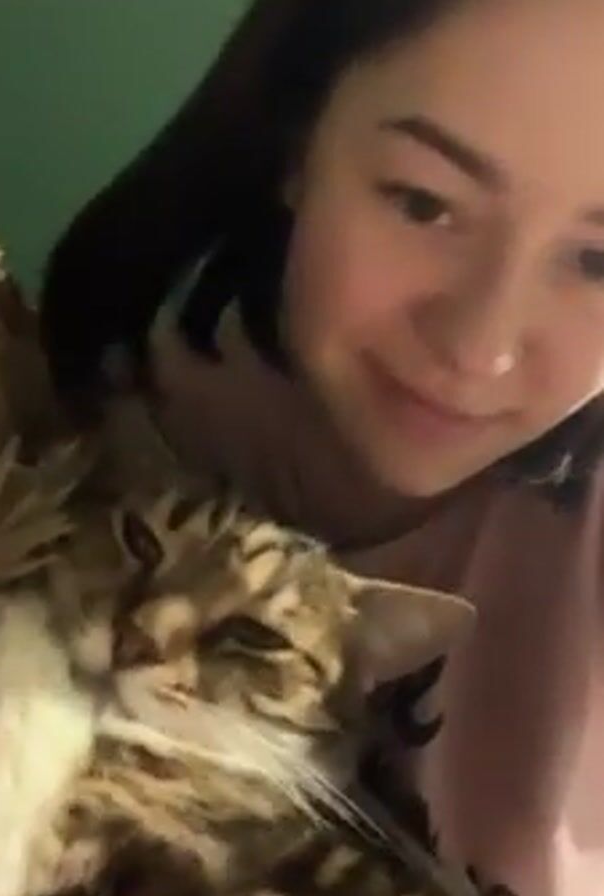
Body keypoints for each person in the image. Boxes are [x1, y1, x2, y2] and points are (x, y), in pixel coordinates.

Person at [39, 1, 604, 893]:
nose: (480, 349)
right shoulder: (67, 426)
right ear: (297, 140)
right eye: (423, 202)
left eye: (600, 263)